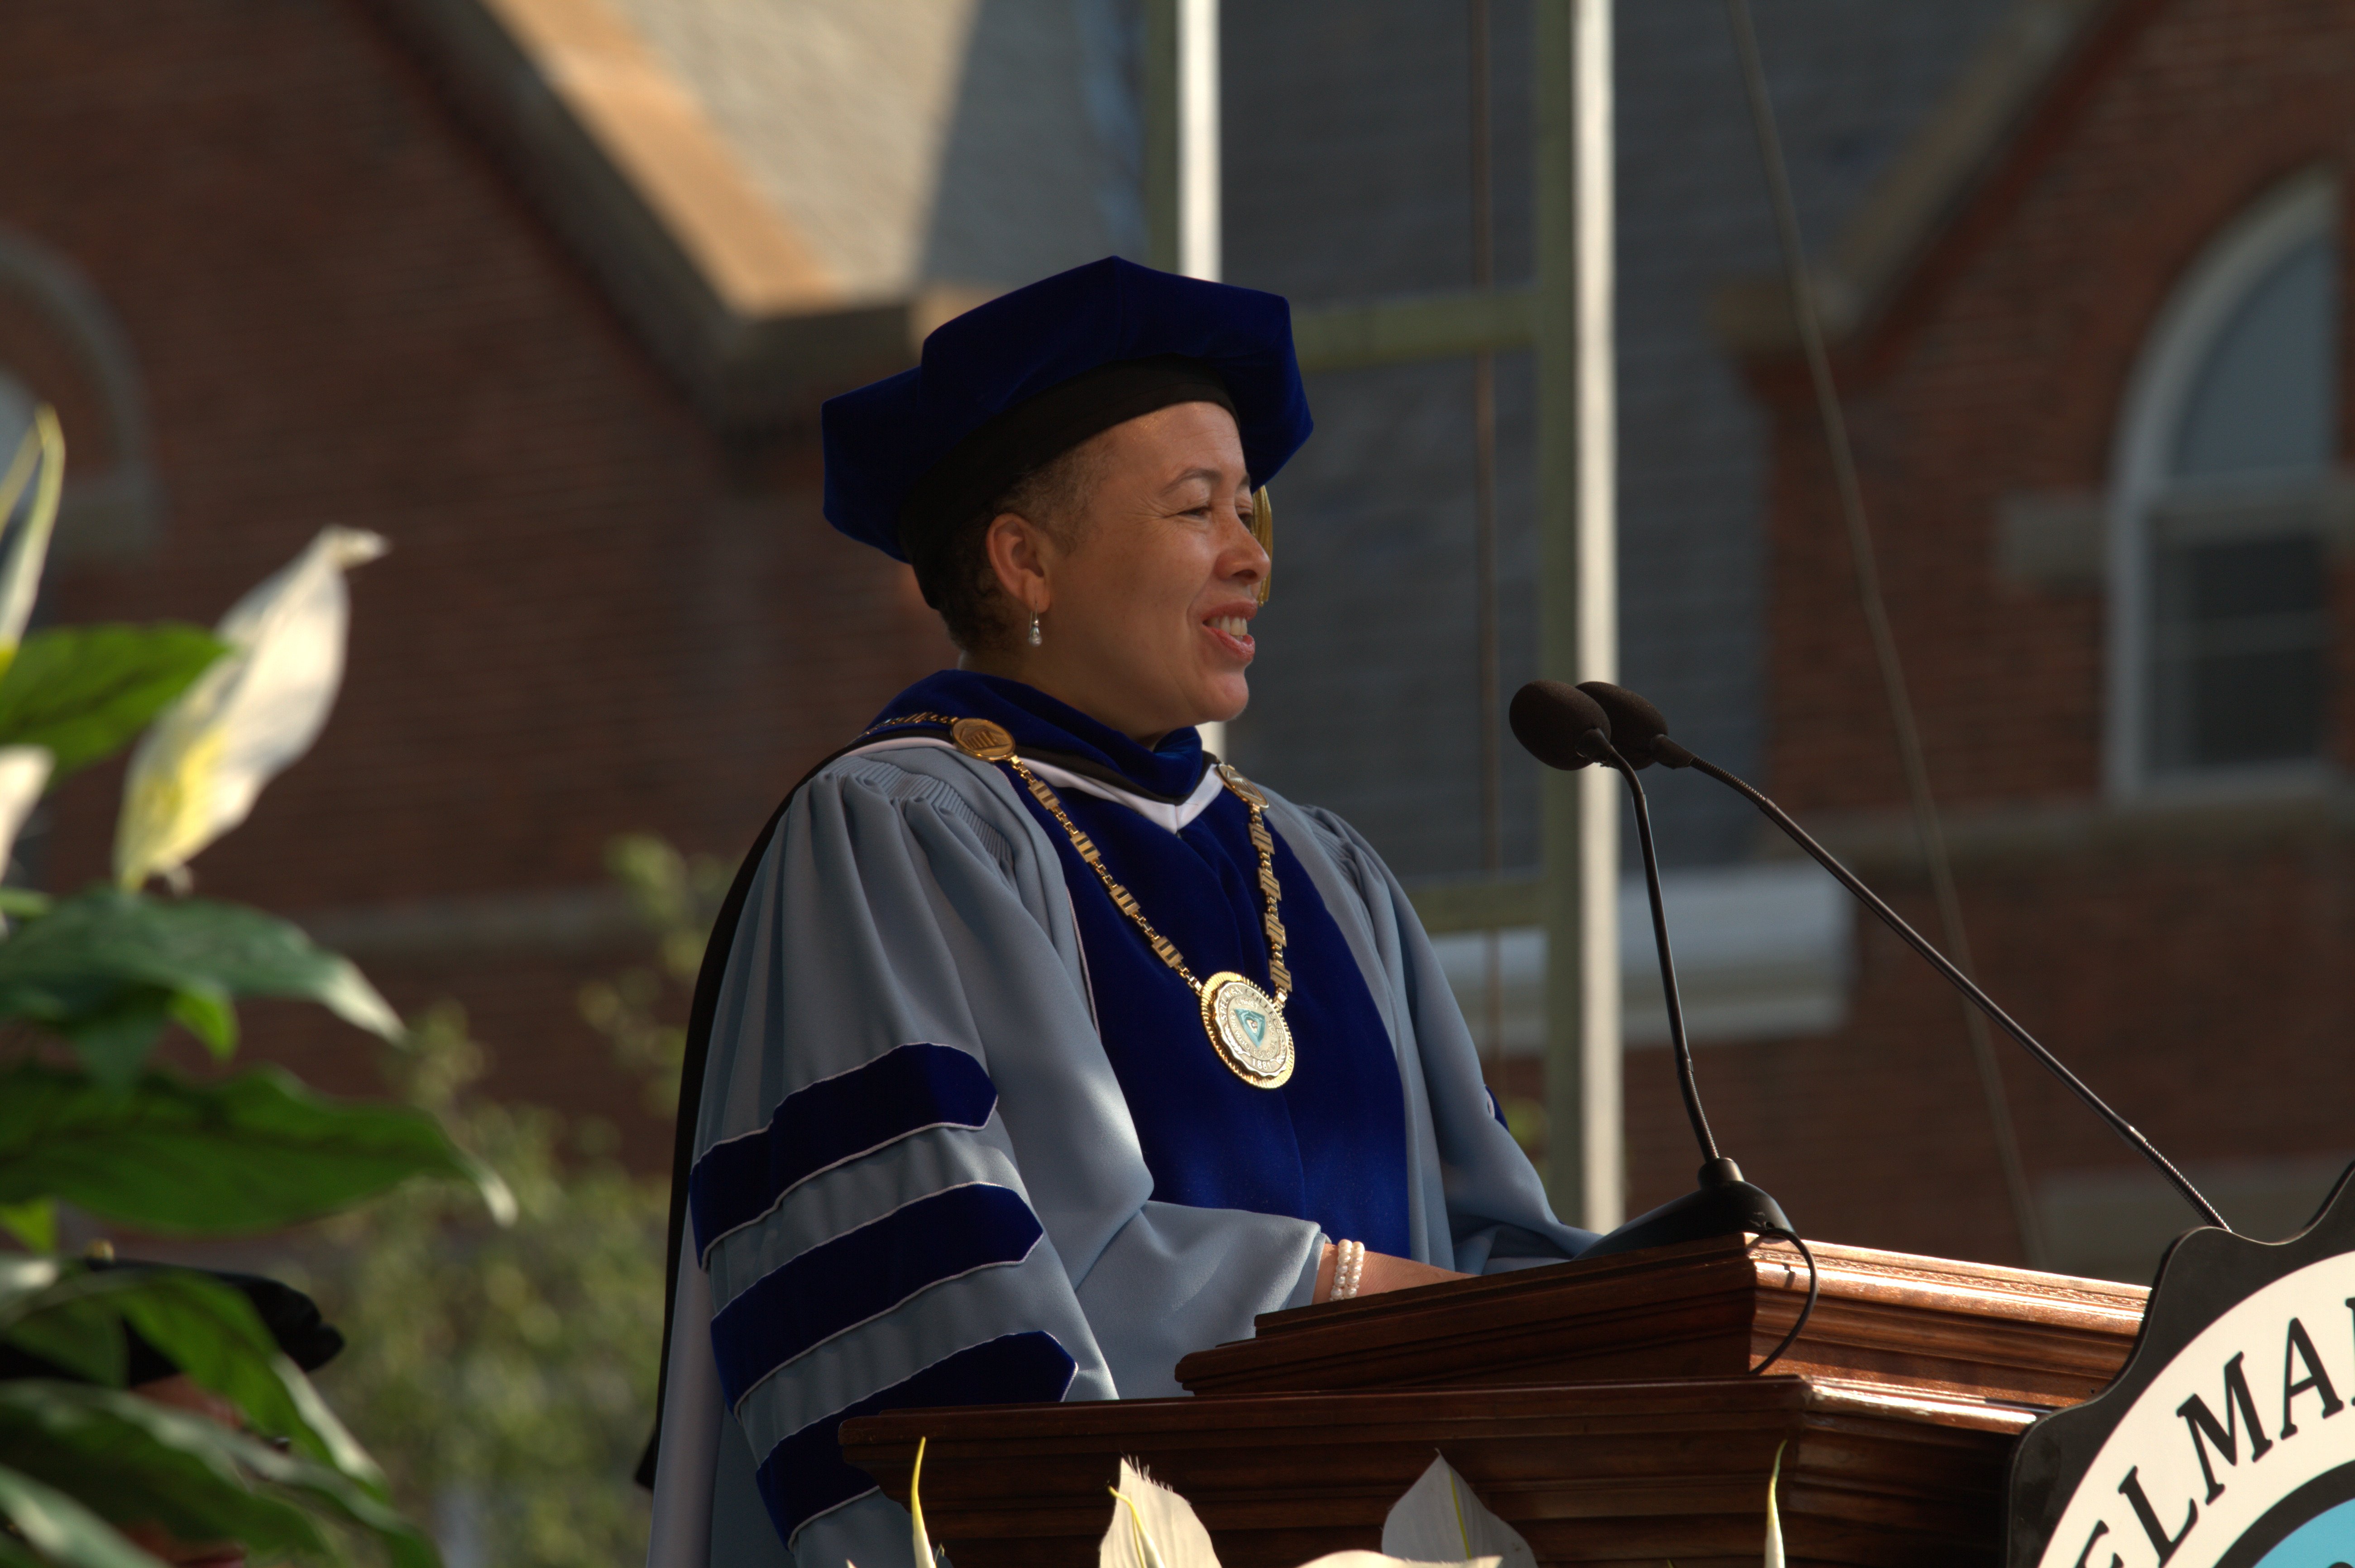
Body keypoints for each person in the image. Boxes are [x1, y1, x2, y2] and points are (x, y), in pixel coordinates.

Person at [644, 258, 1594, 1568]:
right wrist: (1348, 1297)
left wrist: (1682, 1300)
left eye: (1253, 508)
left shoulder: (1322, 870)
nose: (1252, 555)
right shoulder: (901, 828)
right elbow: (959, 1291)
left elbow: (1489, 1250)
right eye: (1196, 508)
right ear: (1024, 560)